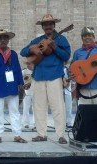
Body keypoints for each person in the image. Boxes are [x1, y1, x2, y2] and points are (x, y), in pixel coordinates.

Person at [20, 14, 70, 144]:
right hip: (38, 75)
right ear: (42, 27)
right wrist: (32, 49)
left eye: (50, 24)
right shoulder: (38, 40)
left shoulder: (61, 39)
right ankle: (41, 134)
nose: (48, 26)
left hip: (54, 75)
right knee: (39, 106)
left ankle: (61, 135)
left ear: (54, 25)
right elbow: (23, 52)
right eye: (45, 24)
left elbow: (66, 56)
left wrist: (55, 47)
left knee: (57, 106)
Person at [0, 29, 27, 144]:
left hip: (12, 86)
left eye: (5, 38)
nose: (3, 40)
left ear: (8, 40)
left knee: (14, 111)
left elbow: (18, 69)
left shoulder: (13, 54)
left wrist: (21, 84)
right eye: (0, 38)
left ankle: (17, 135)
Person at [71, 27, 97, 105]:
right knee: (85, 114)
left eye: (89, 35)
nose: (87, 37)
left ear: (93, 37)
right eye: (85, 36)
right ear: (82, 38)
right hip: (83, 88)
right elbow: (72, 68)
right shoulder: (77, 52)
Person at [21, 61, 35, 128]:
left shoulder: (36, 71)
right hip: (27, 92)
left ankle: (36, 122)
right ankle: (25, 123)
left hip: (35, 92)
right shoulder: (24, 72)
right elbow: (21, 81)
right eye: (27, 64)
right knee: (26, 108)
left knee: (35, 108)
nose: (28, 65)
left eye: (30, 64)